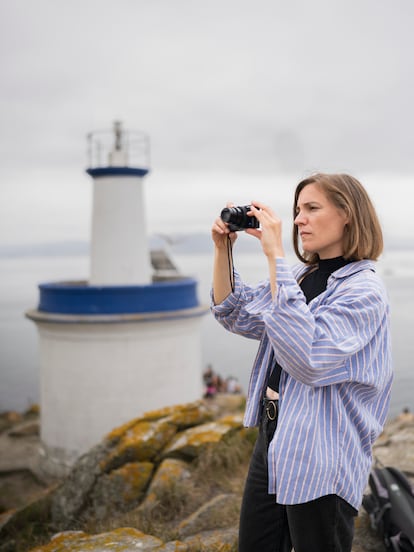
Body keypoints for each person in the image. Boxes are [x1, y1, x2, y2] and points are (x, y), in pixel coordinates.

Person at [210, 173, 393, 552]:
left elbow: (308, 357)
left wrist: (274, 254)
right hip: (274, 435)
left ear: (347, 215)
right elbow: (235, 313)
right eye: (296, 210)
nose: (297, 220)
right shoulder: (300, 275)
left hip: (323, 450)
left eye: (311, 208)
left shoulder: (364, 290)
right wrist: (221, 250)